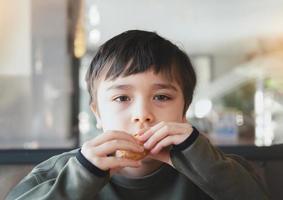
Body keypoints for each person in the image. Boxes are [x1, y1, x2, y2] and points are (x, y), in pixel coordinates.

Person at [6, 30, 269, 200]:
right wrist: (84, 175)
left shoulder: (220, 170)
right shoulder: (54, 175)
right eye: (122, 98)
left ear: (183, 111)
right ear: (97, 112)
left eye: (162, 97)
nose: (142, 115)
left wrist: (198, 154)